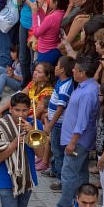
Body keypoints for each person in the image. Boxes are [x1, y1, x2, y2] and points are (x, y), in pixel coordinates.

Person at [50, 56, 99, 207]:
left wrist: (72, 142)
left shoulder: (87, 92)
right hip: (77, 140)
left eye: (76, 69)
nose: (72, 70)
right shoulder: (87, 87)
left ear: (83, 73)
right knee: (80, 174)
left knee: (69, 174)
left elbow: (82, 120)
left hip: (77, 141)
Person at [43, 55, 75, 190]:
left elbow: (60, 108)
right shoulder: (61, 82)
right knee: (56, 149)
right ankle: (55, 169)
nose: (54, 68)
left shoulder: (66, 86)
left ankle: (61, 179)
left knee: (58, 151)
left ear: (62, 70)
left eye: (57, 66)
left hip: (58, 125)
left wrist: (50, 124)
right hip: (54, 122)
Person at [10, 0, 49, 88]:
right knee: (22, 57)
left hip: (36, 27)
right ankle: (24, 85)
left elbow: (36, 6)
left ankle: (33, 87)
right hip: (23, 22)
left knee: (33, 60)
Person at [31, 0, 66, 66]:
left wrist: (34, 14)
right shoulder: (61, 13)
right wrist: (39, 11)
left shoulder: (52, 17)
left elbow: (36, 33)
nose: (49, 0)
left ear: (56, 3)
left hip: (46, 51)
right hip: (55, 49)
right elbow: (45, 23)